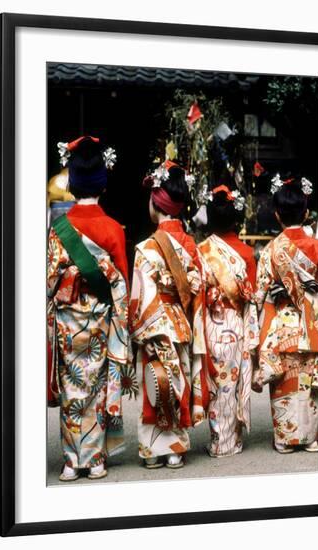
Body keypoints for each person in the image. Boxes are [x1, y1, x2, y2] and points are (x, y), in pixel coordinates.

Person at [47, 136, 136, 481]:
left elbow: (50, 281)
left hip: (69, 324)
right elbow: (122, 285)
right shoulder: (113, 228)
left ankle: (71, 461)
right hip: (100, 322)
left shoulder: (59, 230)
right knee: (98, 387)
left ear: (72, 182)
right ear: (103, 183)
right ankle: (96, 458)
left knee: (72, 388)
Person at [129, 161, 209, 469]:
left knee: (154, 387)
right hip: (181, 324)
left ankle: (153, 452)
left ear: (156, 203)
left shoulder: (147, 247)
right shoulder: (193, 247)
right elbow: (199, 289)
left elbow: (139, 297)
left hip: (153, 325)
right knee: (178, 384)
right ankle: (176, 449)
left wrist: (142, 331)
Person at [254, 175, 318, 454]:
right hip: (313, 322)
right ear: (306, 213)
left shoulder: (271, 250)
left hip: (282, 323)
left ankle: (285, 438)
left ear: (277, 215)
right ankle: (311, 438)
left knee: (284, 379)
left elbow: (259, 294)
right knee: (308, 380)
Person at [198, 185, 259, 457]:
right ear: (237, 218)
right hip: (235, 324)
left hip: (210, 323)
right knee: (231, 383)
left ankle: (219, 439)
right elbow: (253, 294)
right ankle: (230, 439)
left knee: (216, 384)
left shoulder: (202, 250)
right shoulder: (246, 253)